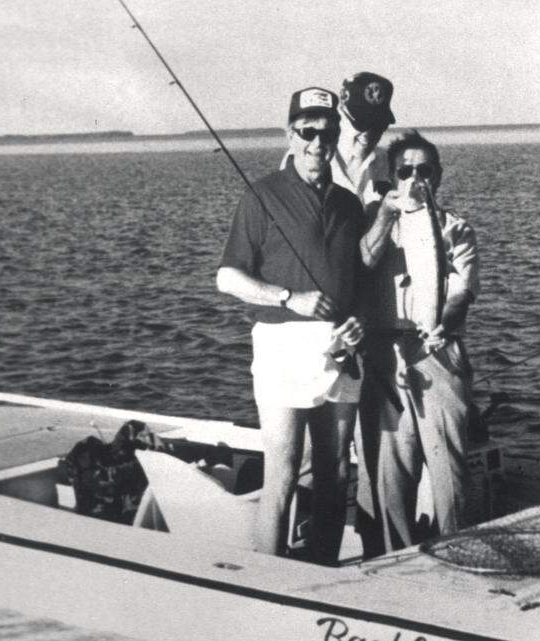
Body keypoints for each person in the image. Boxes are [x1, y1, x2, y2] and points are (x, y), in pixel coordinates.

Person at [216, 87, 366, 565]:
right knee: (280, 471)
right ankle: (267, 578)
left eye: (327, 133)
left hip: (340, 349)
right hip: (282, 346)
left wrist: (355, 324)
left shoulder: (348, 204)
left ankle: (322, 570)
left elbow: (357, 283)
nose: (317, 143)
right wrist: (288, 298)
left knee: (336, 472)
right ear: (290, 134)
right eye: (307, 132)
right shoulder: (261, 195)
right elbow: (228, 277)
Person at [356, 131, 479, 556]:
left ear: (438, 176)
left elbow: (462, 293)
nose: (414, 179)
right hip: (383, 356)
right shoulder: (374, 221)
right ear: (391, 177)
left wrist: (439, 324)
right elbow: (361, 263)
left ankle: (458, 553)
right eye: (404, 171)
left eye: (423, 171)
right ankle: (393, 564)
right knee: (387, 474)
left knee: (450, 471)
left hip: (438, 355)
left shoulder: (455, 229)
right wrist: (387, 216)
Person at [282, 72, 396, 210]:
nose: (368, 134)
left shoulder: (385, 161)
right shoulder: (307, 158)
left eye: (378, 125)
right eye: (361, 124)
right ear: (340, 117)